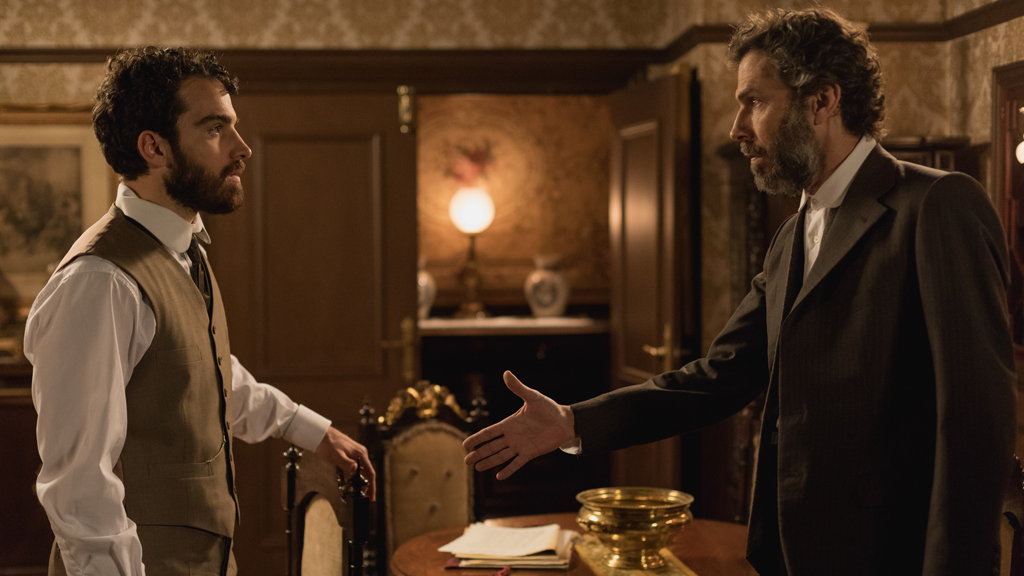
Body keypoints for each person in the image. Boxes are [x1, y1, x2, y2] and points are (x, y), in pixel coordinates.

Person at [464, 8, 1016, 576]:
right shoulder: (791, 237)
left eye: (754, 101)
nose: (737, 128)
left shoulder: (936, 206)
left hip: (888, 554)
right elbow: (717, 379)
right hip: (790, 554)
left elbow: (976, 424)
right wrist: (573, 422)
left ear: (822, 101)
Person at [28, 47, 375, 576]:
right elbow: (79, 486)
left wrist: (310, 430)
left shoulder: (183, 247)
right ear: (154, 147)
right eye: (215, 129)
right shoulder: (99, 281)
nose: (241, 147)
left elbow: (203, 373)